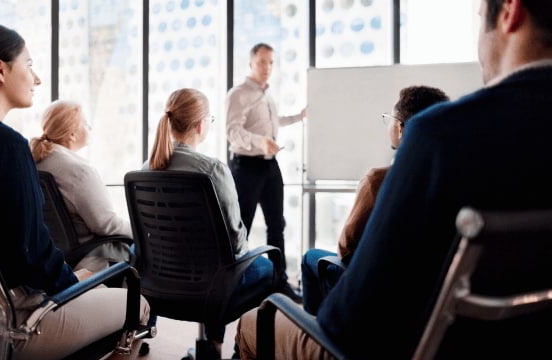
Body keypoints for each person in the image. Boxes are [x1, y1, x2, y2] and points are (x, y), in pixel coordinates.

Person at [236, 0, 552, 358]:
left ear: (510, 12)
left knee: (254, 322)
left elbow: (347, 322)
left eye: (479, 18)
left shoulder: (438, 136)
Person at [0, 23, 149, 359]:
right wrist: (76, 282)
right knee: (136, 304)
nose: (36, 79)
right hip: (13, 319)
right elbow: (32, 255)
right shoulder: (6, 145)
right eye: (30, 64)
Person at [144, 87, 277, 359]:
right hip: (209, 287)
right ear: (201, 125)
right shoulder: (212, 169)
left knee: (220, 266)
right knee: (265, 267)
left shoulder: (145, 169)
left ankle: (211, 345)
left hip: (160, 285)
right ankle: (233, 350)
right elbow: (235, 237)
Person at [300, 85, 450, 315]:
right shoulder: (452, 182)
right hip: (424, 301)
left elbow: (346, 248)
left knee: (311, 258)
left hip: (375, 297)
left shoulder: (378, 180)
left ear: (401, 128)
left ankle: (318, 339)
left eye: (390, 118)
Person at [225, 42, 307, 301]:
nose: (267, 67)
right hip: (246, 166)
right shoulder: (238, 93)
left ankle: (278, 282)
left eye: (271, 62)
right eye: (262, 61)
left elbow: (272, 122)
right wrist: (260, 141)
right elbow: (232, 130)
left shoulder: (267, 94)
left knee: (276, 225)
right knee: (242, 229)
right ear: (251, 63)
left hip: (270, 166)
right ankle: (233, 287)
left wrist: (298, 117)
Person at [30, 99, 132, 272]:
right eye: (85, 124)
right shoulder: (78, 170)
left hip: (59, 258)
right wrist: (144, 231)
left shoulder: (38, 163)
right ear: (71, 134)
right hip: (93, 259)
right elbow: (106, 225)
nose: (90, 128)